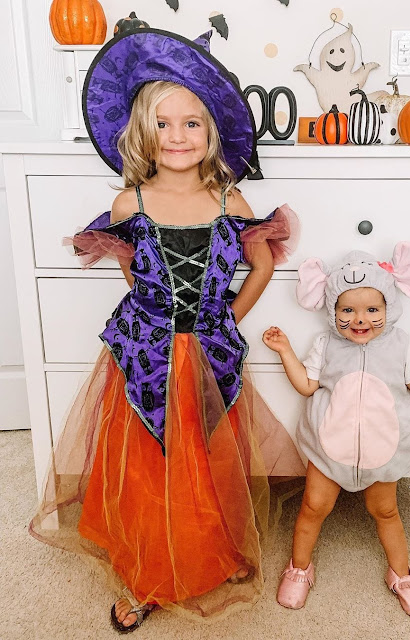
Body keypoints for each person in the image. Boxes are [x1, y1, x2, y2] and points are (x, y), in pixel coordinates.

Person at [29, 28, 305, 631]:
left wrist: (223, 320)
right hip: (146, 358)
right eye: (163, 123)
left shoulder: (231, 201)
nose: (177, 136)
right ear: (142, 132)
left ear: (212, 132)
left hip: (207, 355)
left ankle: (210, 548)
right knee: (148, 462)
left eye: (191, 123)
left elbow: (260, 265)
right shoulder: (130, 204)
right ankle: (147, 572)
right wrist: (157, 323)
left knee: (204, 457)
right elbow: (134, 271)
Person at [262, 244, 410, 616]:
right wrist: (285, 351)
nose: (360, 320)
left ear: (388, 308)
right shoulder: (327, 345)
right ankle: (299, 568)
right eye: (347, 310)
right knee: (313, 506)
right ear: (332, 311)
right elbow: (306, 386)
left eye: (372, 310)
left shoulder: (400, 345)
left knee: (385, 510)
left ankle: (402, 574)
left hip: (381, 451)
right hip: (330, 449)